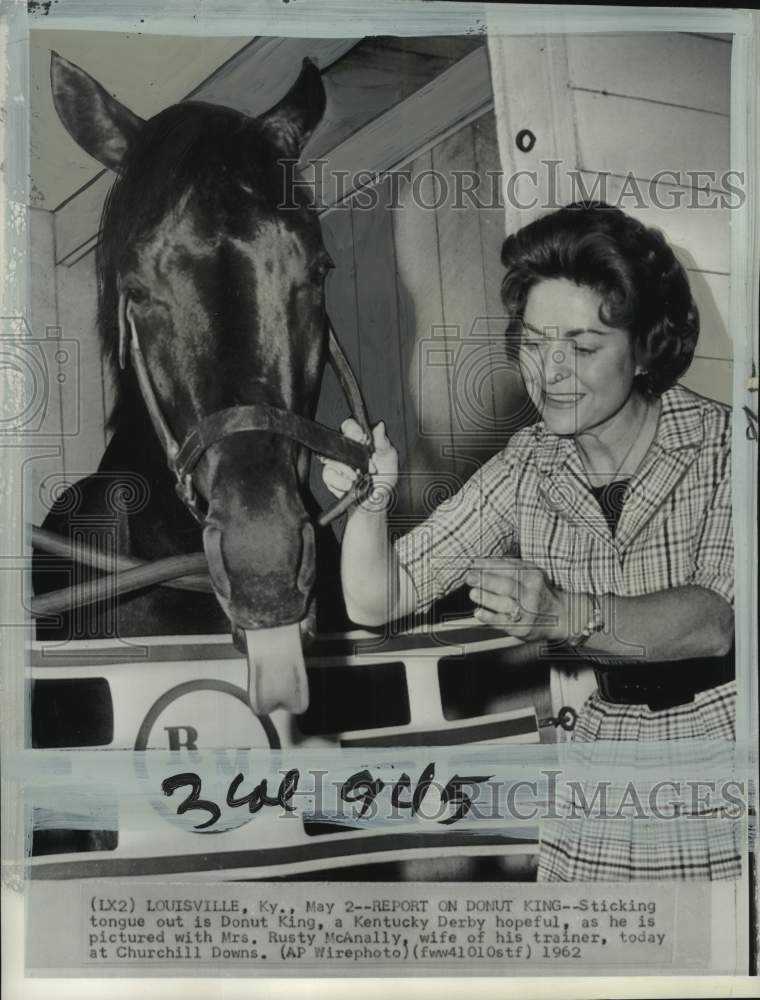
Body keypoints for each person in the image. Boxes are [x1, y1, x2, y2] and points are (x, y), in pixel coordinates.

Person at [321, 202, 737, 880]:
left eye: (581, 347)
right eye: (536, 344)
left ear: (645, 350)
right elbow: (378, 598)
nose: (549, 373)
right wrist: (370, 507)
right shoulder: (528, 463)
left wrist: (562, 615)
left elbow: (712, 623)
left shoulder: (727, 444)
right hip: (605, 759)